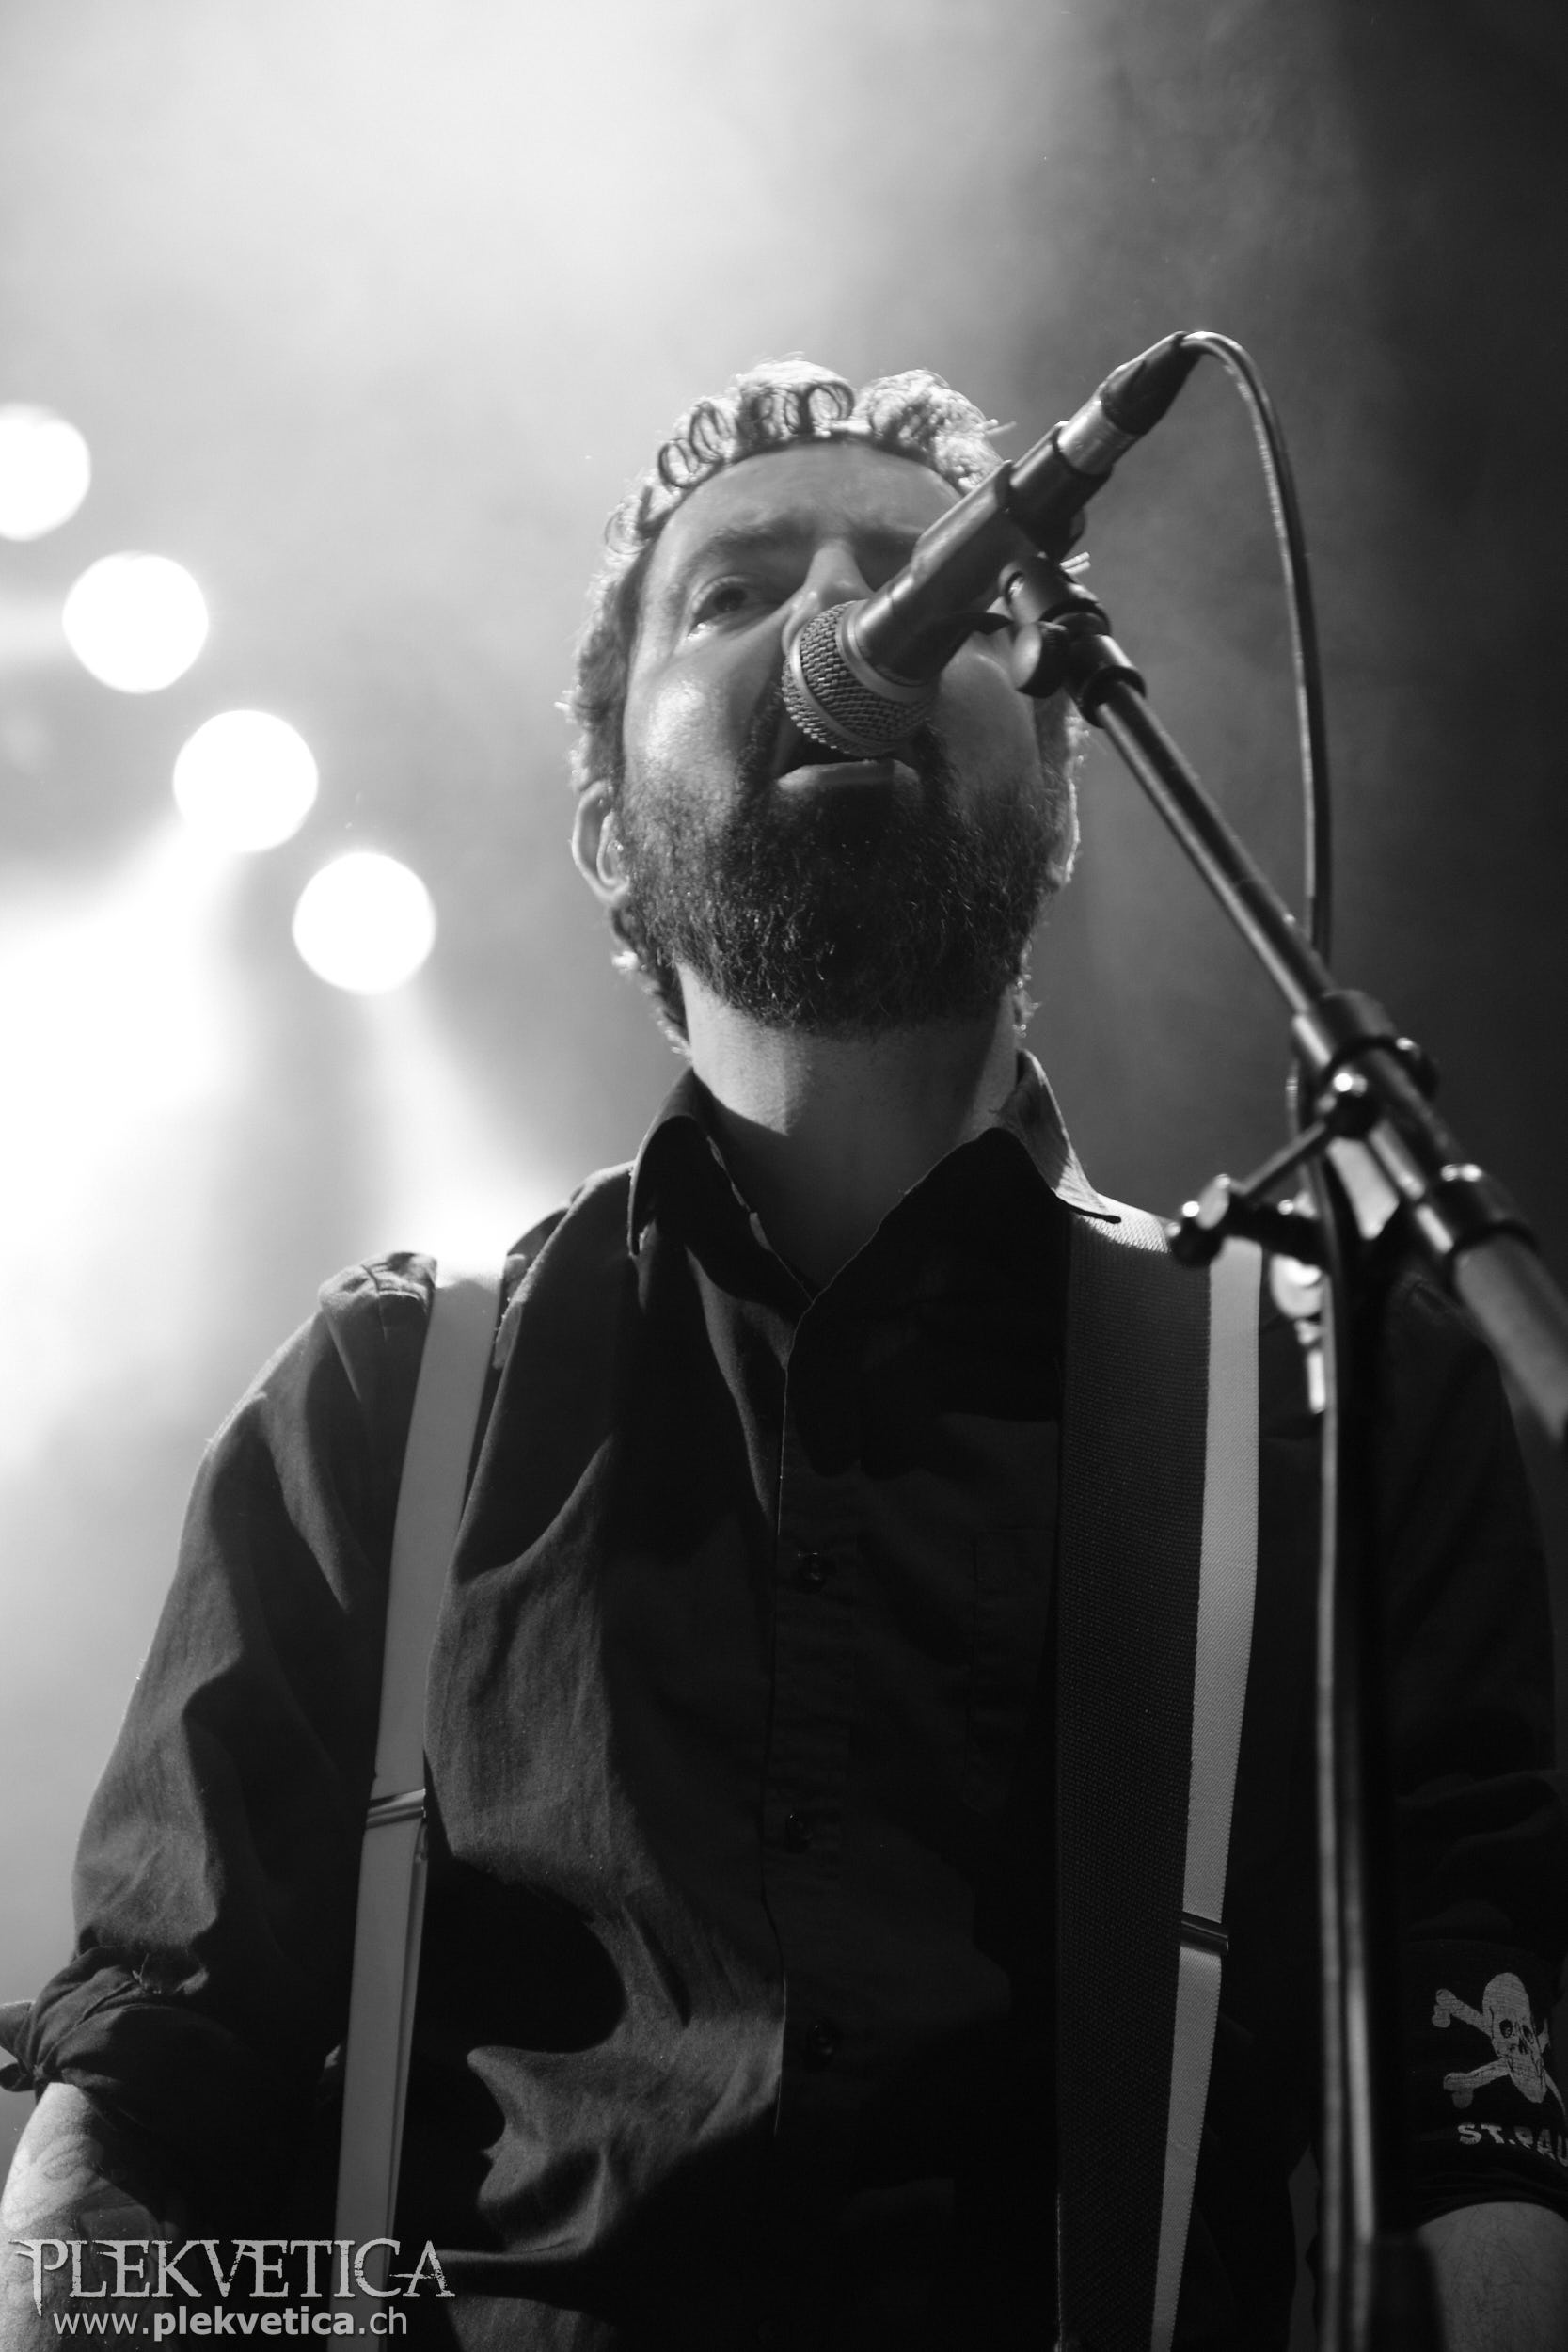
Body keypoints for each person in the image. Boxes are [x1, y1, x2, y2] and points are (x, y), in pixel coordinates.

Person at [4, 359, 1568, 2351]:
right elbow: (144, 2101)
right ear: (607, 829)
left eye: (942, 586)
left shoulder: (1331, 1392)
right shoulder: (388, 1400)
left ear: (1064, 798)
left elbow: (1480, 2116)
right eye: (738, 589)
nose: (852, 616)